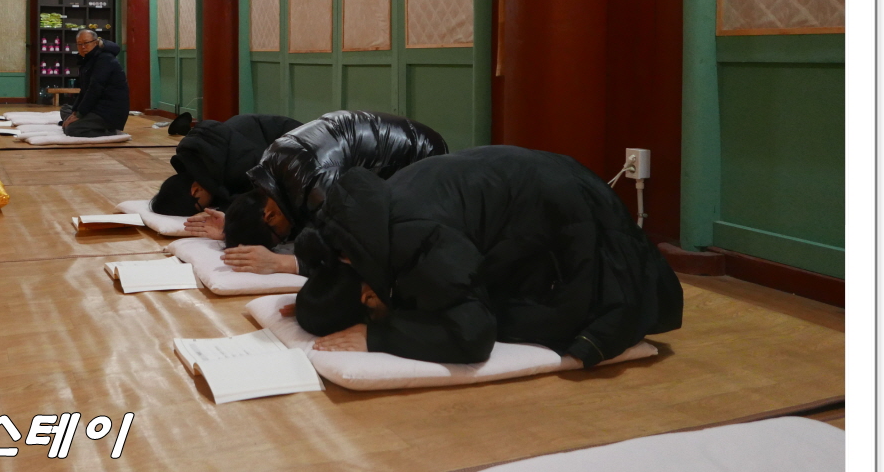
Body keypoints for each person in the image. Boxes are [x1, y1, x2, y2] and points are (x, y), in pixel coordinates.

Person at [289, 146, 685, 368]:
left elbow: (472, 337)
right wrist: (317, 297)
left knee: (551, 316)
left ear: (367, 295)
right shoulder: (354, 229)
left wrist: (378, 335)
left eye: (369, 311)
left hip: (565, 209)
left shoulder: (416, 240)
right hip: (527, 179)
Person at [186, 110, 449, 275]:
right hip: (394, 145)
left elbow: (357, 248)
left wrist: (285, 264)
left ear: (269, 216)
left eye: (279, 238)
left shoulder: (318, 183)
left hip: (421, 156)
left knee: (396, 241)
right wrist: (233, 225)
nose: (285, 239)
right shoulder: (271, 168)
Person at [150, 114, 302, 217]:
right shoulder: (200, 159)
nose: (206, 208)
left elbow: (267, 196)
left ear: (195, 190)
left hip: (302, 145)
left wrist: (227, 211)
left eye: (201, 207)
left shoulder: (240, 164)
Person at [62, 29, 129, 138]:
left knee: (71, 129)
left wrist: (80, 114)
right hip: (95, 106)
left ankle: (111, 132)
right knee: (66, 109)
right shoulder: (87, 60)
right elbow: (84, 91)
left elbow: (95, 89)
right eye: (79, 44)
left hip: (108, 111)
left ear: (96, 42)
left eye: (86, 43)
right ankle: (82, 122)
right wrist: (75, 112)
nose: (83, 47)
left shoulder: (105, 59)